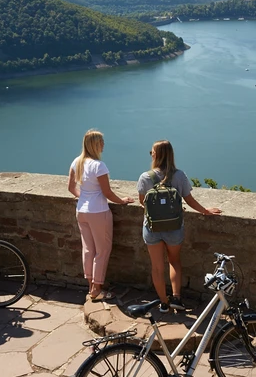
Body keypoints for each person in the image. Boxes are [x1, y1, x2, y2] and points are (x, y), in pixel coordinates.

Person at [137, 140, 221, 313]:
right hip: (174, 227)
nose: (151, 154)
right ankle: (176, 298)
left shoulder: (145, 177)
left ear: (156, 155)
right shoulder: (179, 175)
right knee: (174, 261)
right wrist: (205, 211)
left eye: (152, 152)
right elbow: (189, 200)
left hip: (152, 228)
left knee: (157, 267)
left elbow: (142, 202)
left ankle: (163, 303)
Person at [68, 129, 134, 301]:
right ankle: (97, 289)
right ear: (95, 145)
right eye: (101, 142)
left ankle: (90, 286)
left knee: (88, 249)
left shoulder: (76, 162)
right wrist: (122, 201)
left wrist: (84, 197)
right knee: (102, 251)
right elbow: (107, 192)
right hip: (98, 212)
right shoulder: (99, 166)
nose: (104, 145)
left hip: (81, 211)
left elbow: (70, 188)